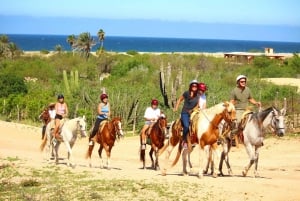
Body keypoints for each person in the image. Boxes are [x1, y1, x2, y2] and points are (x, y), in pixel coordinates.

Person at [230, 75, 261, 146]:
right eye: (242, 81)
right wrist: (231, 105)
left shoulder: (248, 89)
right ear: (238, 82)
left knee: (256, 120)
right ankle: (233, 137)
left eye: (244, 81)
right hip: (238, 109)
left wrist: (256, 103)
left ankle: (258, 138)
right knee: (237, 122)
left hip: (247, 109)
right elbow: (231, 101)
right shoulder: (234, 91)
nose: (243, 82)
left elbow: (250, 99)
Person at [174, 80, 200, 149]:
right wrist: (176, 107)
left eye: (196, 86)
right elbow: (180, 99)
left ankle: (195, 139)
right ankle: (184, 140)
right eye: (193, 85)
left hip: (193, 112)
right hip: (185, 112)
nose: (194, 87)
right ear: (191, 86)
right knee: (186, 126)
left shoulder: (198, 95)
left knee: (198, 124)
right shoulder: (186, 93)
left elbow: (197, 105)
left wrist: (193, 110)